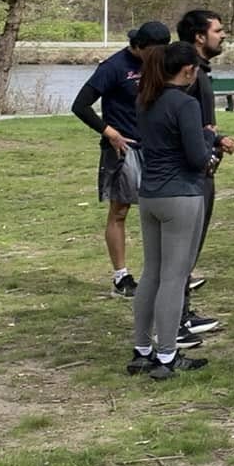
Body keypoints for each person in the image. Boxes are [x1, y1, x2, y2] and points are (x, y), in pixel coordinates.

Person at [125, 42, 213, 380]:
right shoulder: (186, 103)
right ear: (188, 70)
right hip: (182, 196)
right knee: (175, 278)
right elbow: (196, 157)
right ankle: (167, 355)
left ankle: (142, 348)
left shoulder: (146, 100)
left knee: (151, 273)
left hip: (150, 195)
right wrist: (209, 141)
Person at [72, 20, 170, 298]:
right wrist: (109, 132)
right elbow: (80, 105)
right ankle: (121, 277)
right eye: (155, 51)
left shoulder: (160, 64)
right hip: (122, 148)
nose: (160, 56)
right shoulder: (113, 67)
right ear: (139, 46)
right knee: (120, 211)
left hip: (155, 147)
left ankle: (168, 273)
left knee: (164, 209)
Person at [172, 9, 234, 335]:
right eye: (218, 30)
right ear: (199, 36)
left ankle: (181, 312)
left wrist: (215, 138)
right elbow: (180, 122)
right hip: (190, 175)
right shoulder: (186, 75)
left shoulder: (198, 72)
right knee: (182, 248)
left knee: (190, 247)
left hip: (201, 170)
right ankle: (175, 320)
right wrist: (208, 139)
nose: (223, 35)